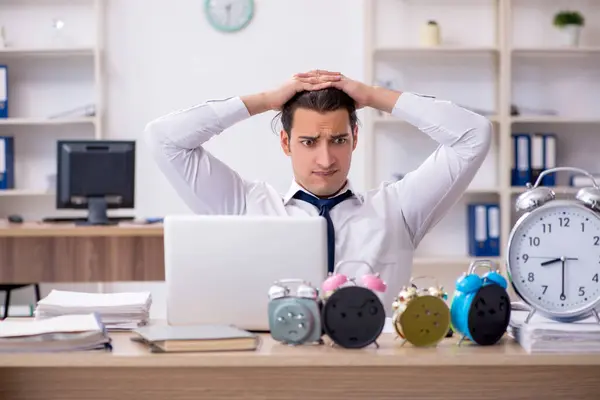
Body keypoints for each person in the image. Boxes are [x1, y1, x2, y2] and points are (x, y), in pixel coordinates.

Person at [144, 69, 492, 310]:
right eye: (309, 142)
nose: (325, 159)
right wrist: (266, 100)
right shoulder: (246, 207)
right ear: (286, 142)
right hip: (277, 373)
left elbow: (474, 135)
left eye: (338, 140)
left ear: (355, 137)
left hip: (375, 377)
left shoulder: (397, 209)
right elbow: (164, 139)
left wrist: (372, 96)